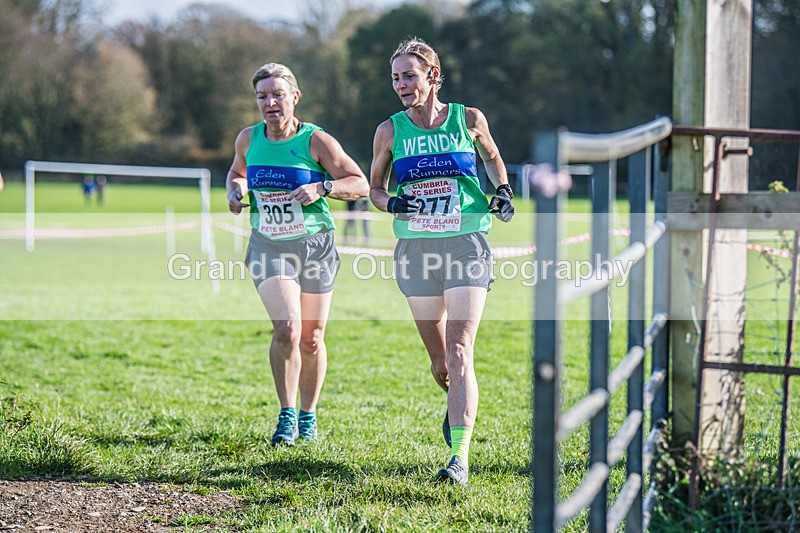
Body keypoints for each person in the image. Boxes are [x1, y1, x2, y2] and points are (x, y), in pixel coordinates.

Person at [369, 37, 515, 485]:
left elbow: (493, 159)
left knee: (460, 350)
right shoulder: (389, 131)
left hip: (466, 243)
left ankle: (460, 458)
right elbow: (374, 189)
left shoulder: (468, 119)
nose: (401, 85)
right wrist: (391, 203)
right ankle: (456, 405)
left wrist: (503, 191)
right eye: (395, 78)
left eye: (409, 75)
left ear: (433, 75)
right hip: (416, 249)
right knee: (442, 365)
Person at [226, 63, 369, 446]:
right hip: (269, 245)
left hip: (315, 246)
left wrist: (323, 188)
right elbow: (237, 172)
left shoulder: (316, 141)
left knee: (312, 338)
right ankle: (286, 415)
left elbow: (360, 183)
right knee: (287, 328)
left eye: (277, 95)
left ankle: (308, 416)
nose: (269, 103)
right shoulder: (248, 138)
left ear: (295, 97)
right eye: (262, 96)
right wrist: (234, 190)